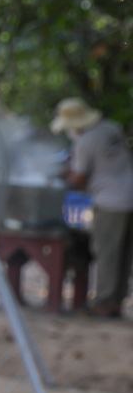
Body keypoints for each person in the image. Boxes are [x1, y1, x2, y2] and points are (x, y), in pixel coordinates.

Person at [52, 98, 133, 317]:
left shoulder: (85, 141)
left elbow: (78, 178)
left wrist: (62, 177)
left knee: (106, 253)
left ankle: (104, 303)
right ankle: (116, 301)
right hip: (130, 195)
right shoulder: (111, 128)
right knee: (123, 253)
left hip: (110, 202)